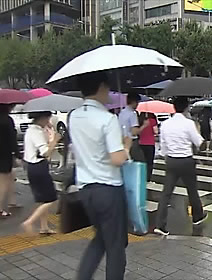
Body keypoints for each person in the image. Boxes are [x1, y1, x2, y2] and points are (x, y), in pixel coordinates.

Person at [71, 71, 131, 280]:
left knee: (100, 240)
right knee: (115, 246)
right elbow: (117, 159)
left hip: (86, 191)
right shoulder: (107, 119)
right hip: (108, 190)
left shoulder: (74, 116)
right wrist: (127, 145)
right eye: (108, 89)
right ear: (102, 87)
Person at [155, 97, 208, 236]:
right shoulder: (189, 123)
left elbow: (163, 148)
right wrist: (199, 132)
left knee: (166, 193)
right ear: (186, 108)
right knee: (192, 190)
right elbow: (200, 144)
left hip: (171, 161)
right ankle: (197, 216)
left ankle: (160, 225)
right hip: (186, 161)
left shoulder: (165, 124)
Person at [21, 111, 61, 234]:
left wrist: (50, 132)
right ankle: (30, 222)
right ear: (42, 118)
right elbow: (45, 152)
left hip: (31, 167)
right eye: (47, 119)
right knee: (51, 199)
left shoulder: (31, 130)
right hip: (38, 167)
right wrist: (55, 140)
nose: (48, 121)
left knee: (42, 199)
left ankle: (44, 227)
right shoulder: (37, 132)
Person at [0, 104, 21, 217]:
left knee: (8, 178)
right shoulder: (7, 120)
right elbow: (12, 140)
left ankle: (12, 201)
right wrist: (18, 154)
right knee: (3, 182)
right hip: (4, 155)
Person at [118, 92, 148, 162]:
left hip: (122, 141)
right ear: (134, 102)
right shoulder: (132, 114)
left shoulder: (121, 113)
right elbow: (134, 132)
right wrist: (144, 126)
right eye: (137, 102)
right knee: (141, 162)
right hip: (132, 142)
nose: (138, 104)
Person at [139, 112, 158, 181]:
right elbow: (156, 131)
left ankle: (141, 176)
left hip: (141, 143)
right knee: (149, 162)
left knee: (142, 161)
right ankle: (148, 178)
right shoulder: (152, 121)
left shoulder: (139, 120)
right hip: (150, 144)